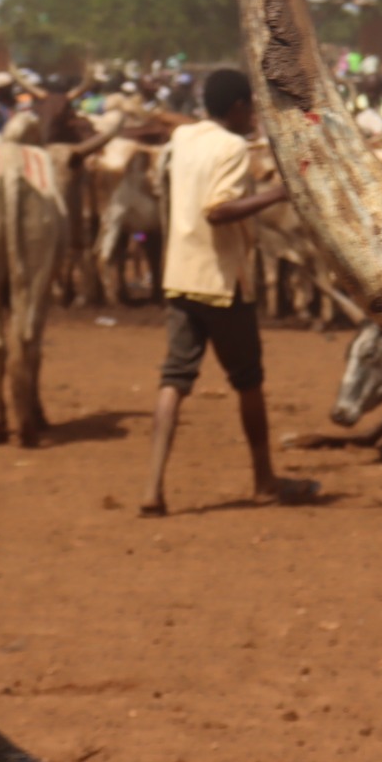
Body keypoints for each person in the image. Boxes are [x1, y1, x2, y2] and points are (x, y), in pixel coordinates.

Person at [140, 69, 312, 514]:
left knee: (173, 380)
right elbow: (218, 211)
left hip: (179, 275)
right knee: (248, 380)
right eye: (251, 107)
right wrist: (281, 191)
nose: (253, 115)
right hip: (220, 281)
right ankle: (263, 480)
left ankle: (152, 489)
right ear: (236, 107)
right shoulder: (232, 147)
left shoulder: (185, 138)